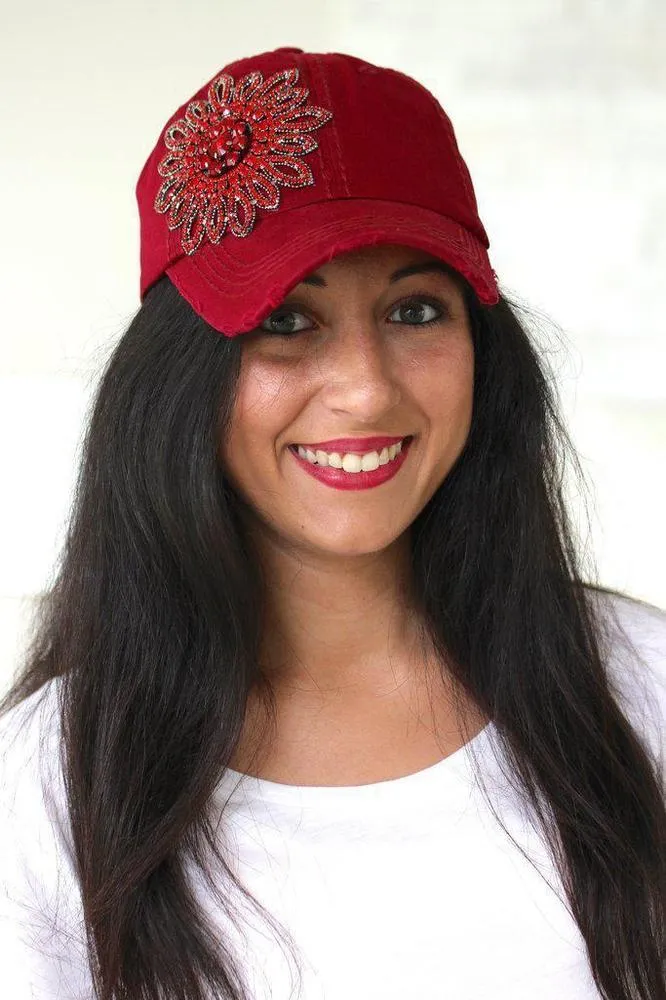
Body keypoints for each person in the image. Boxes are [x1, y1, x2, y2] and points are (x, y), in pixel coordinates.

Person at [0, 45, 664, 1000]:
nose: (363, 387)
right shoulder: (52, 786)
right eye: (286, 320)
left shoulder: (640, 691)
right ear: (179, 379)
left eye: (416, 309)